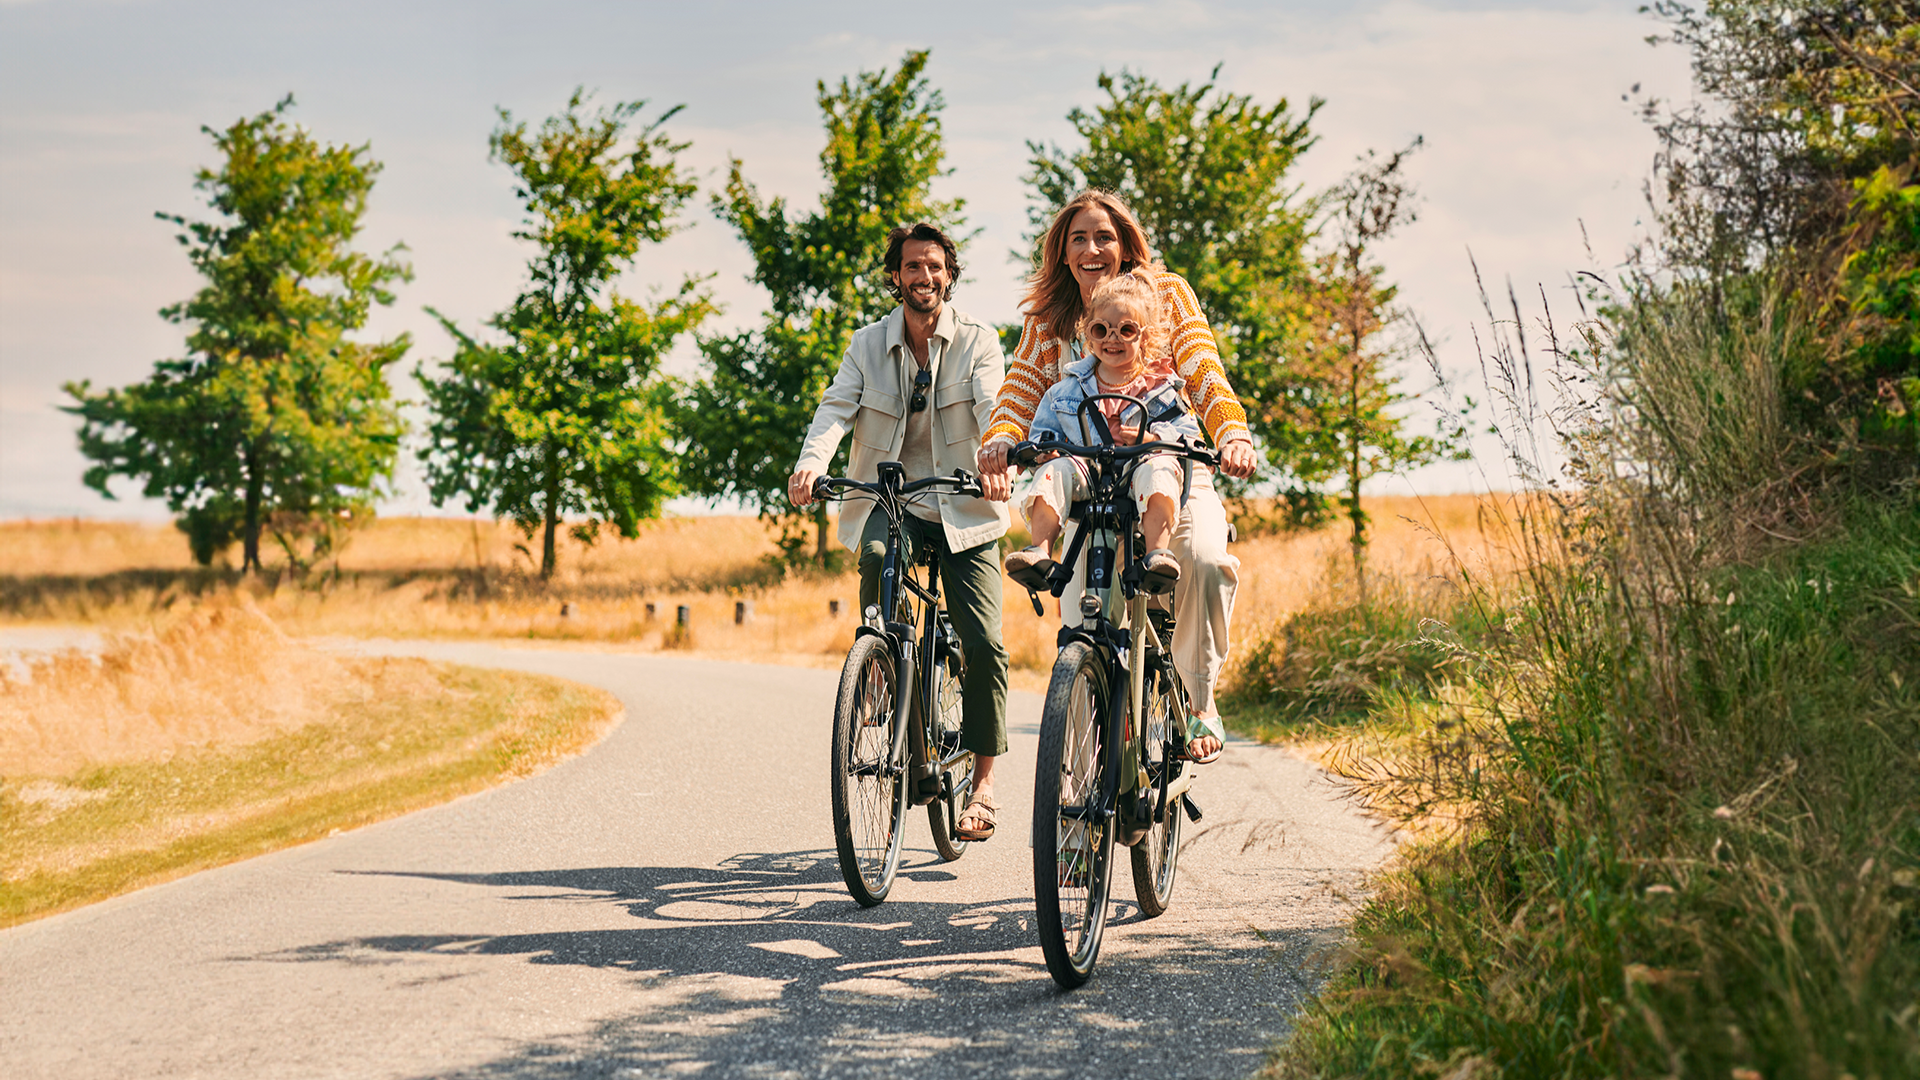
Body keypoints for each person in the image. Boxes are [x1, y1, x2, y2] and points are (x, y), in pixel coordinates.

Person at [978, 190, 1259, 763]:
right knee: (1082, 628)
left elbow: (1204, 370)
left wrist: (1230, 431)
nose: (1091, 249)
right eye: (1077, 238)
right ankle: (1081, 800)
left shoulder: (1167, 294)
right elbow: (1020, 389)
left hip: (1168, 466)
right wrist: (1001, 439)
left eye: (1103, 236)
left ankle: (1199, 698)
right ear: (1062, 252)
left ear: (1126, 245)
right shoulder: (1048, 320)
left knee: (1203, 559)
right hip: (1088, 484)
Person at [788, 223, 1012, 841]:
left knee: (984, 641)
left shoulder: (978, 342)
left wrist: (997, 462)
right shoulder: (866, 345)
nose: (925, 277)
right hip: (894, 499)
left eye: (935, 267)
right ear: (896, 276)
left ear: (949, 274)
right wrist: (813, 463)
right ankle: (881, 668)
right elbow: (836, 408)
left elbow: (995, 407)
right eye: (913, 266)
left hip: (965, 505)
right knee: (877, 553)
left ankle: (984, 785)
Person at [1006, 269, 1200, 602]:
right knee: (1056, 470)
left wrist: (1151, 440)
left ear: (1146, 337)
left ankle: (1157, 554)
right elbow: (1042, 433)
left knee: (1160, 468)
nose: (1113, 339)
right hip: (1088, 477)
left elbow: (1188, 438)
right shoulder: (1064, 391)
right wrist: (1043, 452)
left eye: (1126, 330)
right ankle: (1039, 550)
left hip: (1137, 471)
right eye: (1102, 329)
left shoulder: (1161, 390)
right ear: (1088, 335)